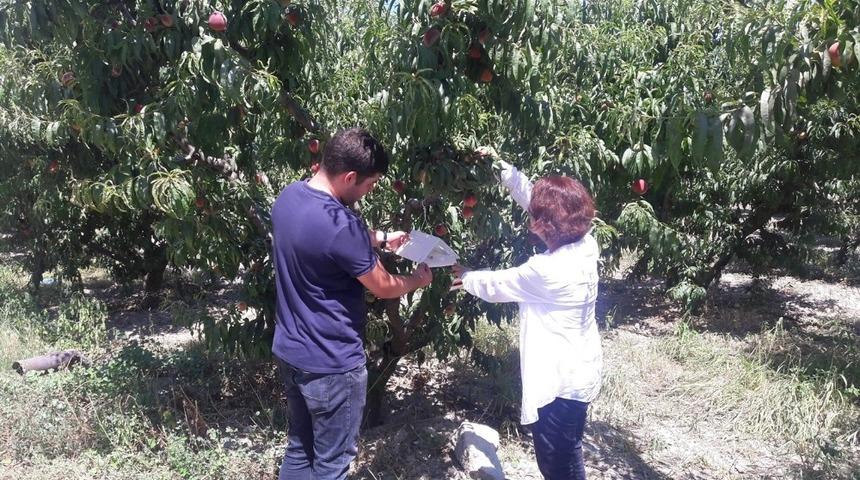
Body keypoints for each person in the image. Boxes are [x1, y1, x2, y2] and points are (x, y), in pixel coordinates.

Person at [271, 127, 434, 479]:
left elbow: (320, 240)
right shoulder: (342, 225)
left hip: (291, 351)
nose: (370, 190)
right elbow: (384, 286)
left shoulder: (289, 197)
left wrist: (379, 239)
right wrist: (417, 280)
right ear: (349, 177)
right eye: (370, 183)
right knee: (332, 464)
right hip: (331, 363)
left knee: (300, 449)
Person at [452, 148, 602, 480]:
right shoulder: (585, 243)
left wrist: (464, 276)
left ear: (540, 225)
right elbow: (534, 197)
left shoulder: (545, 271)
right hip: (581, 371)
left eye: (535, 215)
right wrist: (500, 165)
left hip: (559, 384)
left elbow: (497, 285)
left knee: (558, 464)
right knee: (566, 452)